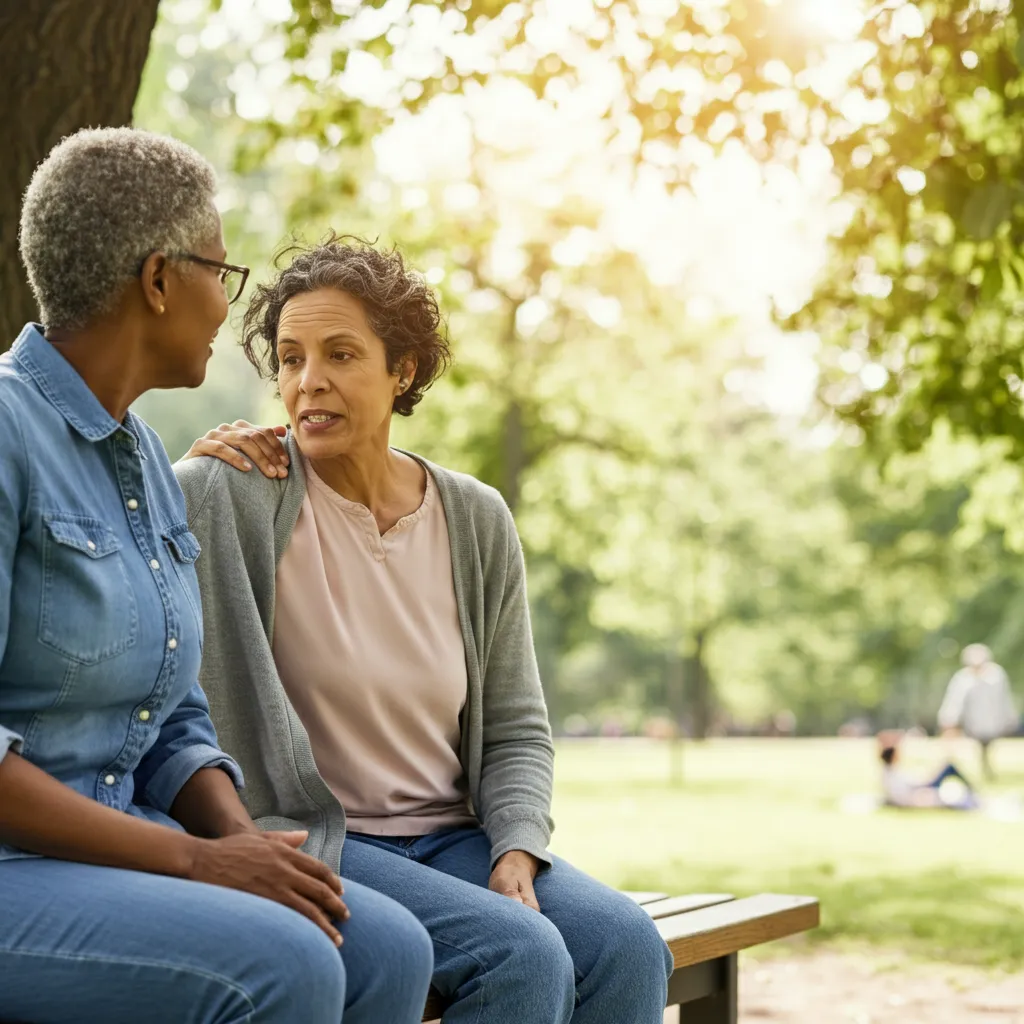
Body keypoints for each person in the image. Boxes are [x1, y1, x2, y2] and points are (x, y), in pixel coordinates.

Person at [176, 235, 674, 1024]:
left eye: (341, 354)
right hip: (322, 841)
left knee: (628, 945)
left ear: (402, 370)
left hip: (456, 839)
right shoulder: (234, 492)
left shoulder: (474, 517)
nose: (309, 382)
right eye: (291, 357)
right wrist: (183, 474)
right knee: (521, 956)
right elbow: (135, 543)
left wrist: (515, 846)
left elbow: (514, 726)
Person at [0, 130, 432, 1024]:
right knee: (290, 966)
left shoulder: (143, 460)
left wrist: (244, 843)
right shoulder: (7, 435)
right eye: (221, 275)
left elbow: (172, 718)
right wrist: (201, 862)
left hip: (122, 850)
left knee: (387, 948)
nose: (230, 310)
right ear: (159, 281)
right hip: (21, 868)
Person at [938, 643, 1019, 780]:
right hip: (972, 722)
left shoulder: (996, 676)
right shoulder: (963, 679)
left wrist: (1010, 718)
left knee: (986, 745)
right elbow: (955, 701)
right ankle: (970, 767)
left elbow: (1004, 699)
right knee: (977, 745)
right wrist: (949, 718)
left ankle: (985, 767)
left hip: (991, 721)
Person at [877, 732, 978, 810]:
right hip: (921, 790)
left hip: (920, 787)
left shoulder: (889, 772)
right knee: (949, 767)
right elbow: (904, 795)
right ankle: (973, 790)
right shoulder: (892, 775)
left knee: (948, 768)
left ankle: (972, 791)